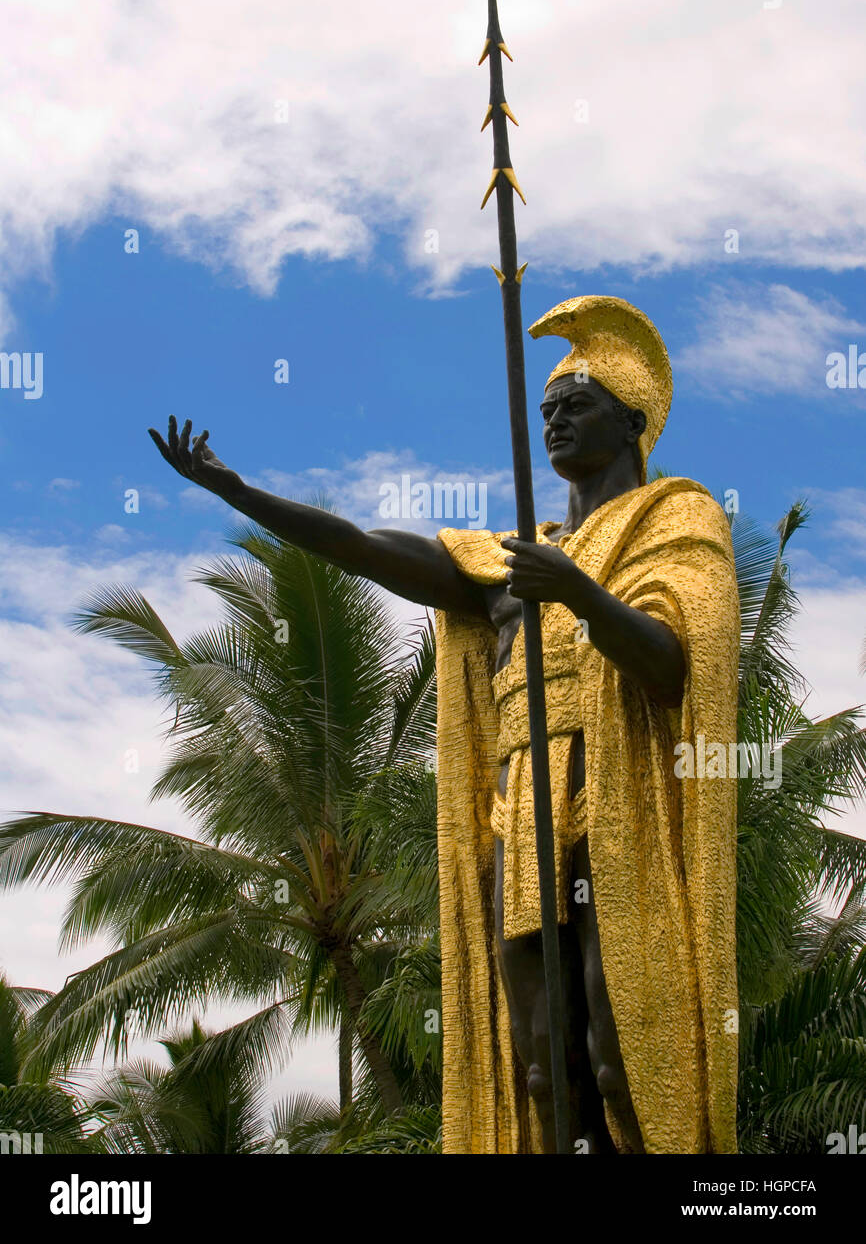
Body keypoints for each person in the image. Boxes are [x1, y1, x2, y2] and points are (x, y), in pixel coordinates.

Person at [150, 294, 740, 1154]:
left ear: (633, 417)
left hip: (618, 818)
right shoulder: (502, 566)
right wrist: (242, 493)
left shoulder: (676, 522)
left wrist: (576, 591)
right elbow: (362, 546)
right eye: (546, 411)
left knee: (619, 1063)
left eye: (576, 406)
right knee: (540, 1070)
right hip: (519, 819)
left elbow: (672, 665)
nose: (554, 424)